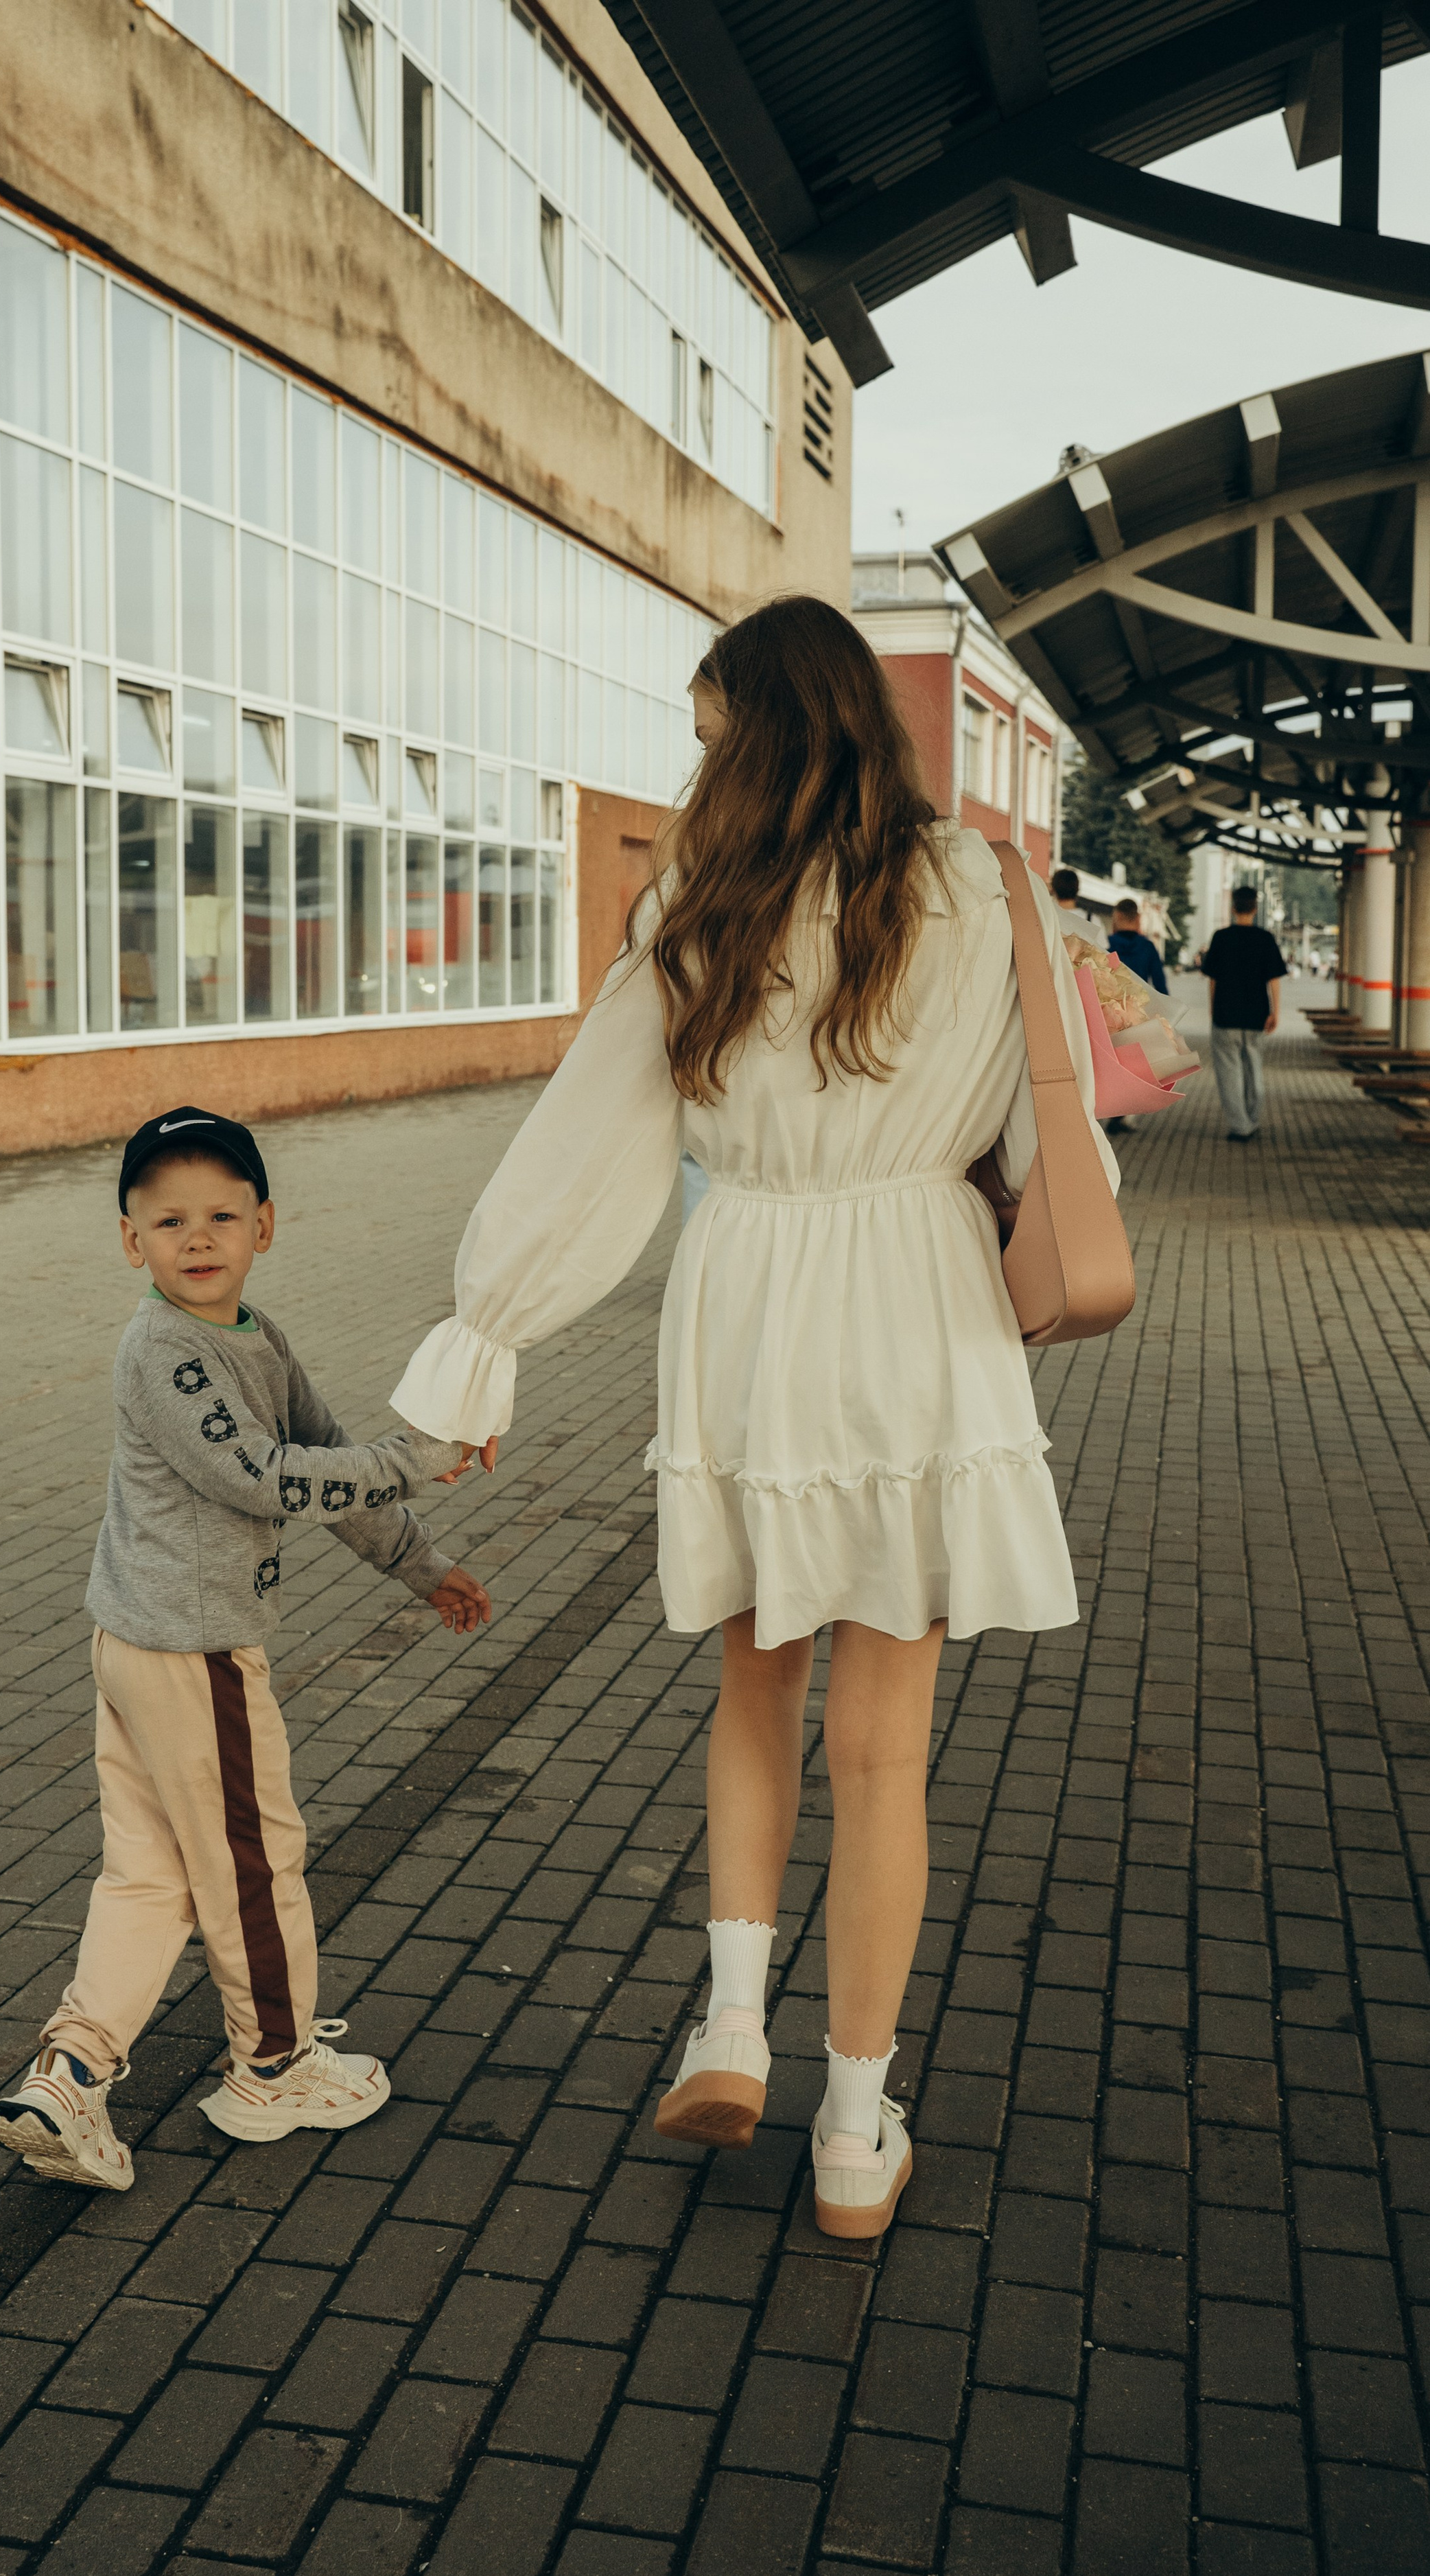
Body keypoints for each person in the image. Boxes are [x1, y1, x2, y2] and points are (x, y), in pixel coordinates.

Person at [391, 597, 1114, 2243]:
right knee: (884, 1751)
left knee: (751, 1686)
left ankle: (728, 2020)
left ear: (755, 729)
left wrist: (483, 1335)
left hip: (746, 1307)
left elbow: (591, 1143)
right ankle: (855, 2127)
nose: (701, 756)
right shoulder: (981, 888)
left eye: (711, 730)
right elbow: (1058, 1138)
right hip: (916, 1303)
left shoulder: (693, 907)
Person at [0, 1107, 490, 2191]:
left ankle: (68, 2076)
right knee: (254, 1863)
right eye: (170, 1220)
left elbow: (319, 1461)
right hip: (190, 1651)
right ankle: (274, 2066)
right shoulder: (165, 1349)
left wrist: (423, 1565)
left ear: (265, 1223)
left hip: (142, 1645)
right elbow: (260, 1478)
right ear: (132, 1242)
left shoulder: (254, 1335)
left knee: (149, 1875)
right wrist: (414, 1458)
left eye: (222, 1214)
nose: (198, 1237)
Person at [1202, 885, 1287, 1142]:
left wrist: (1212, 1008)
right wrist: (1275, 1012)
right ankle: (1252, 1117)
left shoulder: (1221, 937)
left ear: (1233, 907)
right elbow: (1274, 980)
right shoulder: (1265, 939)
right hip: (1256, 1016)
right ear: (1255, 908)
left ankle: (1241, 1126)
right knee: (1254, 1069)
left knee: (1230, 1073)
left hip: (1226, 1016)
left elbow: (1213, 980)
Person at [1101, 898, 1169, 1136]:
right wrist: (1162, 1015)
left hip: (1109, 1013)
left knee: (1112, 1062)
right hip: (1139, 1012)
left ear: (1117, 918)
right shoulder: (1148, 947)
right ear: (1138, 919)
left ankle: (1113, 1111)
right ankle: (1125, 1113)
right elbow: (1159, 983)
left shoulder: (1106, 944)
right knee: (1136, 1065)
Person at [1051, 867, 1107, 949]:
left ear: (1053, 889)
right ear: (1077, 889)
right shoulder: (1092, 920)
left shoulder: (1048, 918)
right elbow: (1103, 953)